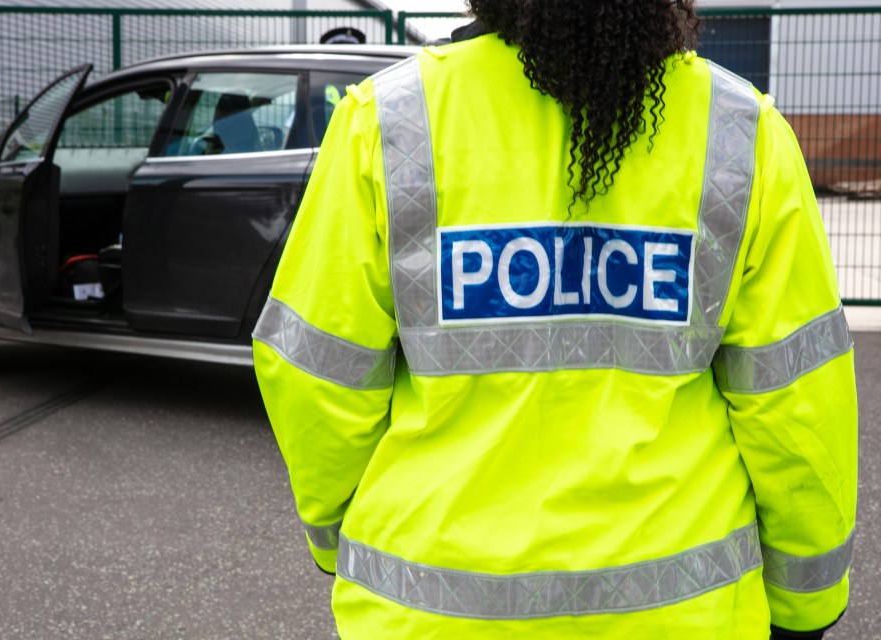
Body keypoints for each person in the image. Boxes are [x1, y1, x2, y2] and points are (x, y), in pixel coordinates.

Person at [253, 1, 858, 638]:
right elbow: (798, 403)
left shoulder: (389, 123)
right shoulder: (741, 134)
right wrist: (805, 605)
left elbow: (314, 379)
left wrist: (335, 542)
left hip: (430, 610)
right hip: (680, 611)